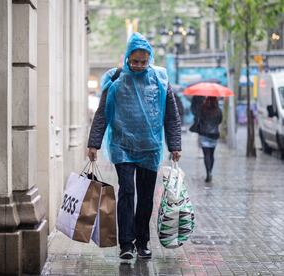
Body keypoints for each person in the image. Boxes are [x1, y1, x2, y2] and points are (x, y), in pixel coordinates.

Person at [87, 33, 182, 261]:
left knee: (146, 197)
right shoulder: (116, 80)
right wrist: (94, 143)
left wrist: (175, 144)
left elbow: (172, 115)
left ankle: (143, 242)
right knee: (127, 192)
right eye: (135, 61)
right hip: (123, 147)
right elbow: (102, 114)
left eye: (143, 62)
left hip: (150, 148)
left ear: (149, 59)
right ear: (128, 57)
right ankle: (126, 244)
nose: (139, 66)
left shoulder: (160, 80)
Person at [197, 96, 222, 182]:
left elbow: (199, 119)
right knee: (211, 155)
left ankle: (208, 172)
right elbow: (220, 121)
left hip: (204, 134)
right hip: (214, 135)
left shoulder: (203, 109)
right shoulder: (218, 110)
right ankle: (210, 171)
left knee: (206, 155)